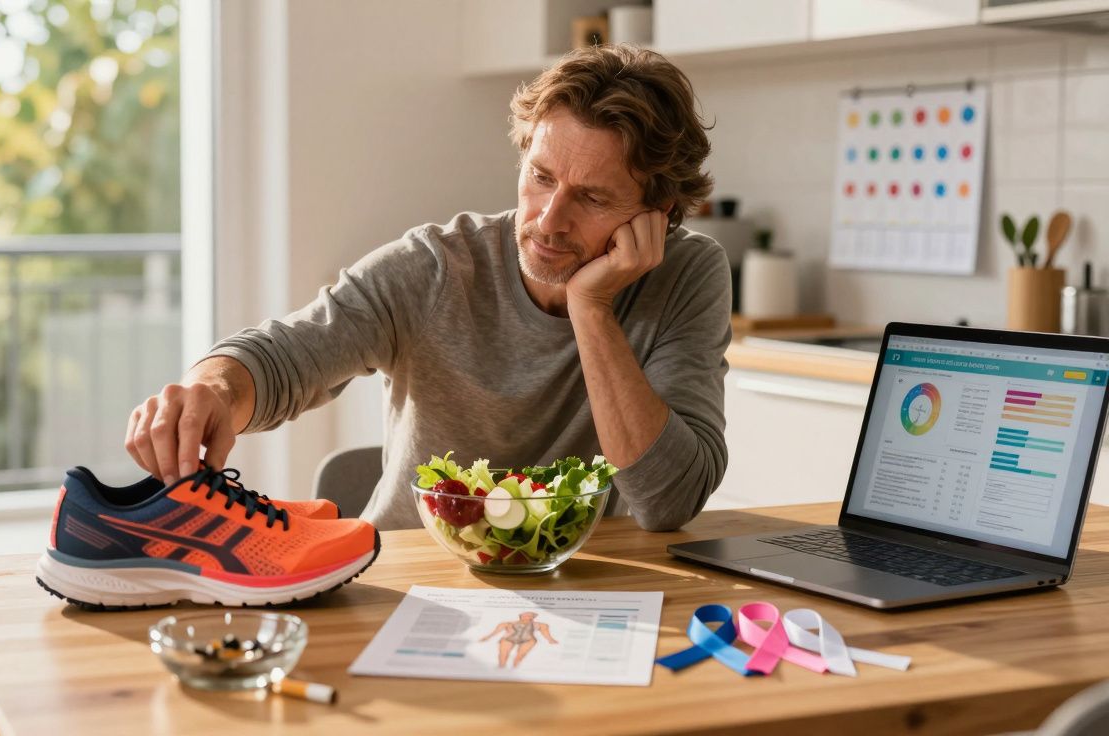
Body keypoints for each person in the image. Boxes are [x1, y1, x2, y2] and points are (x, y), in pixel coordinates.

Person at [124, 44, 730, 532]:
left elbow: (667, 502)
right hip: (414, 573)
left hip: (590, 584)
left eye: (593, 198)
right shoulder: (438, 266)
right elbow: (288, 352)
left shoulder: (686, 276)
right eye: (540, 178)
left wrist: (591, 307)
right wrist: (209, 390)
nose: (549, 219)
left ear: (659, 211)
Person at [480, 612, 558, 668]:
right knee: (503, 654)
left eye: (530, 616)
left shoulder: (540, 625)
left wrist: (550, 639)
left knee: (520, 655)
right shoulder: (508, 623)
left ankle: (514, 668)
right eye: (525, 615)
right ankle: (501, 667)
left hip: (528, 639)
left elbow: (545, 632)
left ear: (533, 617)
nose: (528, 617)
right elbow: (496, 631)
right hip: (509, 638)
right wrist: (488, 637)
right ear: (520, 616)